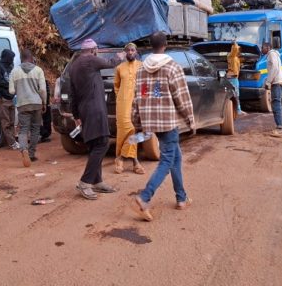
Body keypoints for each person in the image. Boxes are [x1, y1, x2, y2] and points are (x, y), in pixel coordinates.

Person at [132, 31, 195, 221]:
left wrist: (137, 122)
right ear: (165, 45)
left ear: (151, 45)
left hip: (151, 121)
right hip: (167, 122)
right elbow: (182, 98)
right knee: (167, 160)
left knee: (175, 157)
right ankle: (144, 197)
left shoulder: (141, 70)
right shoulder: (172, 67)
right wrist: (190, 120)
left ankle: (181, 198)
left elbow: (137, 98)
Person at [69, 38, 124, 200]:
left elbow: (72, 94)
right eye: (96, 50)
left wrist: (76, 115)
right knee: (103, 143)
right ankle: (85, 182)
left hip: (85, 110)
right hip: (95, 109)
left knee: (94, 144)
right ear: (93, 50)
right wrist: (120, 56)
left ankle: (97, 181)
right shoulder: (90, 60)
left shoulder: (73, 66)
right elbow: (110, 63)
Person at [9, 49, 47, 167]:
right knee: (35, 129)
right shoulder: (38, 70)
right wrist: (44, 103)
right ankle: (31, 154)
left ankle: (23, 149)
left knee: (23, 130)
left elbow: (11, 91)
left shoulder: (14, 72)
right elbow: (42, 90)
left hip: (22, 104)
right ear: (31, 58)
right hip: (36, 104)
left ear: (21, 58)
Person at [113, 43, 144, 175]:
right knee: (125, 131)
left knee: (135, 131)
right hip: (123, 104)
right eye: (128, 50)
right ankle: (135, 162)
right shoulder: (120, 68)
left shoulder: (142, 66)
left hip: (138, 104)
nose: (130, 52)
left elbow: (145, 85)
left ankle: (120, 158)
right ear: (125, 53)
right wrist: (122, 98)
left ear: (136, 52)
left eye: (133, 50)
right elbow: (116, 86)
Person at [0, 49, 17, 150]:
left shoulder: (10, 67)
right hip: (2, 98)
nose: (12, 60)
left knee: (12, 121)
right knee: (6, 122)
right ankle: (12, 143)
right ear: (6, 58)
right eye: (11, 58)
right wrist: (10, 84)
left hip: (10, 98)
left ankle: (13, 141)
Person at [262, 41, 282, 137]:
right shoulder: (274, 54)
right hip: (279, 81)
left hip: (276, 82)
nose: (261, 49)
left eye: (263, 47)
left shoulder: (271, 54)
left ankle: (280, 128)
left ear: (268, 47)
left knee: (276, 105)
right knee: (277, 104)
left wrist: (268, 81)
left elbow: (274, 68)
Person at [226, 41, 243, 114]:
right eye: (238, 49)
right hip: (231, 78)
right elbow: (235, 48)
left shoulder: (235, 58)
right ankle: (237, 111)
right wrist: (235, 43)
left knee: (236, 95)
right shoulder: (231, 55)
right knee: (235, 95)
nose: (239, 50)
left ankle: (237, 110)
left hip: (234, 78)